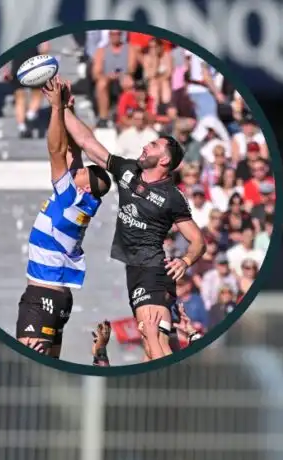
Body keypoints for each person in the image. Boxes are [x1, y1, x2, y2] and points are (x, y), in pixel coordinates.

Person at [62, 78, 206, 362]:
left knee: (154, 342)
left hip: (152, 271)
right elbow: (88, 144)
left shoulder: (172, 197)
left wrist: (186, 261)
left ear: (164, 160)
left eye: (153, 145)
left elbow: (198, 241)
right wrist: (63, 108)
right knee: (156, 344)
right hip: (137, 270)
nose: (146, 146)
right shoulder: (128, 171)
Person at [15, 77, 112, 360]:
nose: (78, 169)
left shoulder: (70, 197)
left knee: (29, 365)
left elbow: (57, 151)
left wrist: (56, 109)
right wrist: (69, 107)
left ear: (84, 186)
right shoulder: (84, 200)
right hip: (57, 297)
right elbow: (74, 149)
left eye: (83, 172)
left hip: (42, 296)